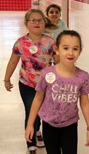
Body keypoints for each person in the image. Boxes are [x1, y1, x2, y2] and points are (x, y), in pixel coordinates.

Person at [25, 30, 89, 154]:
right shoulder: (47, 73)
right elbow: (38, 98)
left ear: (80, 51)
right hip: (49, 124)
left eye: (75, 48)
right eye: (65, 48)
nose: (70, 52)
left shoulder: (83, 77)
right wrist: (30, 124)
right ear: (57, 49)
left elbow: (85, 104)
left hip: (70, 125)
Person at [4, 9, 59, 154]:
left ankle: (37, 131)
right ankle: (31, 141)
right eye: (32, 20)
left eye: (40, 20)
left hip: (46, 86)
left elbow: (59, 64)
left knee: (42, 111)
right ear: (26, 24)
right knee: (31, 111)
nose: (36, 23)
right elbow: (12, 62)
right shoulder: (20, 43)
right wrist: (6, 78)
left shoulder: (50, 42)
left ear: (44, 23)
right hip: (27, 84)